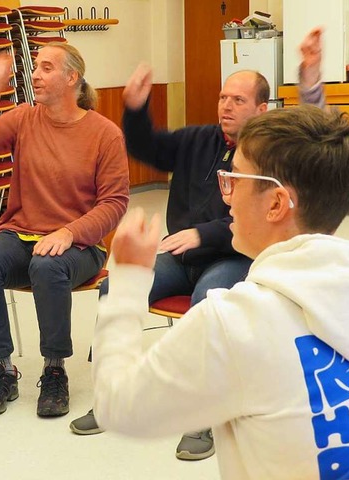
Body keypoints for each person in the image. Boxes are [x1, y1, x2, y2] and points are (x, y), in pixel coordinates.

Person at [92, 103, 349, 480]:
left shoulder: (236, 322)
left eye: (235, 179)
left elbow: (116, 407)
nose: (227, 196)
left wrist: (126, 283)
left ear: (276, 203)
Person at [70, 67, 269, 460]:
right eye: (223, 98)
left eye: (238, 101)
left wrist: (204, 234)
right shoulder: (199, 139)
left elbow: (263, 217)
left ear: (261, 109)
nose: (226, 106)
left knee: (207, 304)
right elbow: (148, 148)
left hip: (232, 257)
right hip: (181, 256)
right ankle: (110, 393)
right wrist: (136, 107)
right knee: (117, 285)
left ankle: (202, 415)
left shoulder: (271, 154)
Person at [0, 43, 130, 417]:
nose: (35, 73)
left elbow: (115, 203)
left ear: (72, 78)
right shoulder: (24, 118)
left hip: (81, 245)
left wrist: (69, 233)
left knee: (48, 266)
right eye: (35, 66)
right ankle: (1, 370)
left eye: (46, 67)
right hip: (22, 232)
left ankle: (55, 370)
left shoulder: (105, 134)